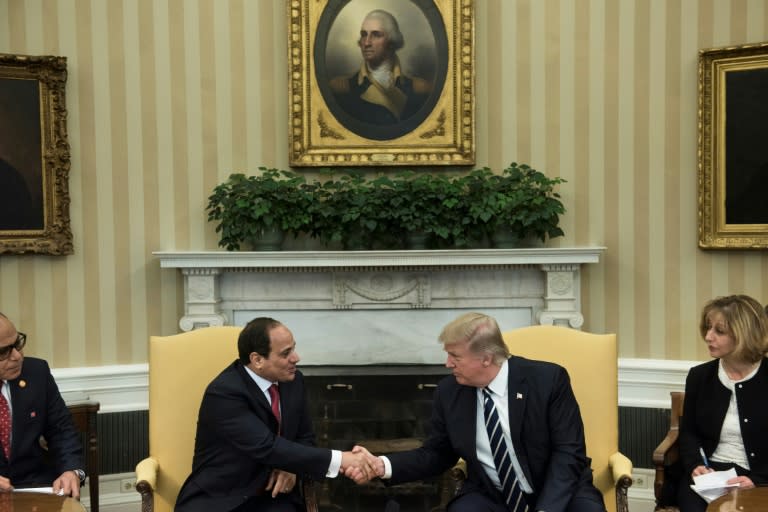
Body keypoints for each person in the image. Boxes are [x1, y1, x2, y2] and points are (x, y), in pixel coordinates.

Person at [346, 312, 605, 512]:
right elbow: (436, 454)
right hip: (492, 495)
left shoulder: (548, 380)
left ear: (486, 358)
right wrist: (381, 465)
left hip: (560, 491)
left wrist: (547, 509)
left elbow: (568, 453)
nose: (448, 364)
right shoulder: (449, 392)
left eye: (454, 356)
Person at [174, 317, 375, 512]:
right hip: (222, 498)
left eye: (293, 349)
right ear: (257, 360)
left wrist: (292, 468)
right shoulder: (225, 393)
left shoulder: (294, 381)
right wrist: (342, 459)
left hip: (274, 497)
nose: (296, 358)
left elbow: (305, 438)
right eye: (286, 353)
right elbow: (266, 446)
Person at [676, 295, 768, 512]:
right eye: (708, 328)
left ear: (744, 334)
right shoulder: (699, 376)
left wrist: (757, 479)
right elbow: (688, 431)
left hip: (759, 477)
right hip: (709, 476)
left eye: (719, 331)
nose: (708, 337)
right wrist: (695, 466)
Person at [0, 313, 85, 496]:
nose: (17, 356)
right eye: (3, 352)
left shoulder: (36, 372)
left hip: (36, 488)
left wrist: (72, 471)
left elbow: (61, 430)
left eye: (17, 344)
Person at [329, 9, 433, 125]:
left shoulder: (419, 89)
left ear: (391, 42)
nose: (366, 43)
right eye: (364, 35)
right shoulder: (341, 89)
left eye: (376, 35)